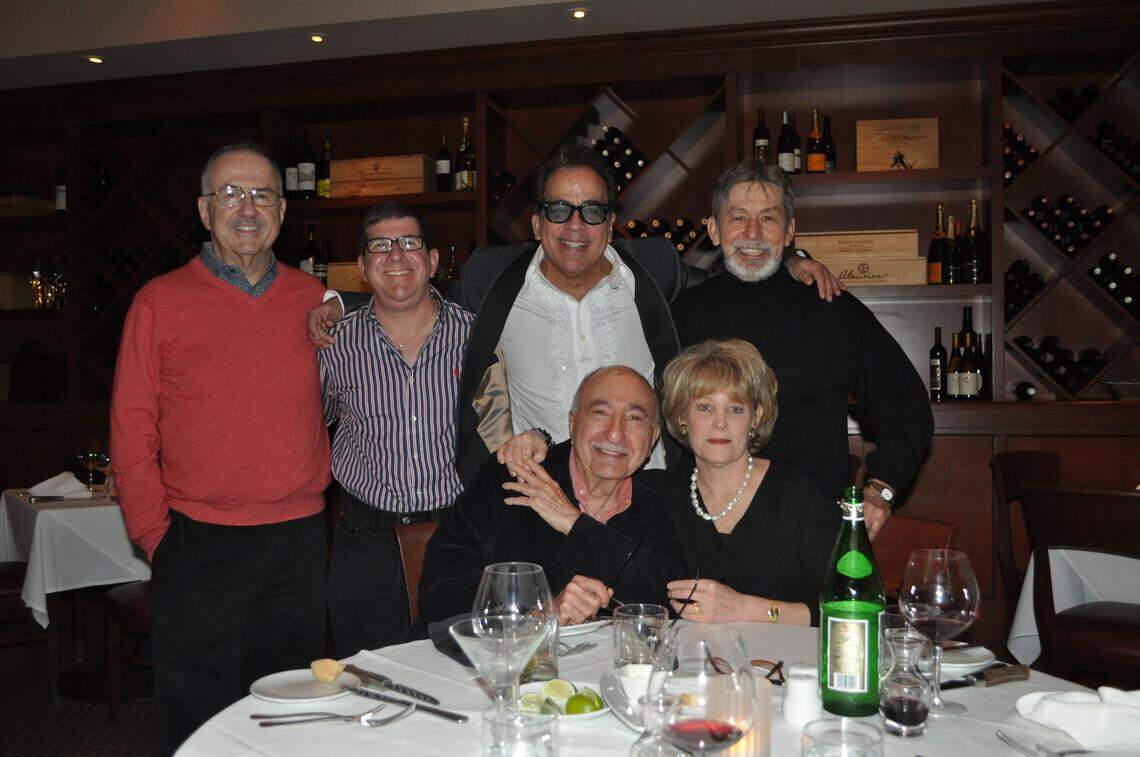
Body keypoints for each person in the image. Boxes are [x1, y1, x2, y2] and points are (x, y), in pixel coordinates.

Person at [306, 144, 840, 484]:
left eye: (592, 211)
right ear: (537, 223)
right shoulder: (492, 279)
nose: (575, 226)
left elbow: (731, 283)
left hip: (647, 494)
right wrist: (342, 302)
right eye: (559, 210)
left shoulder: (654, 272)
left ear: (612, 222)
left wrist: (791, 260)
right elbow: (417, 298)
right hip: (541, 493)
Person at [110, 143, 330, 755]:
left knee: (291, 719)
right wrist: (156, 537)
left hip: (298, 544)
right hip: (198, 542)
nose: (247, 208)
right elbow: (130, 428)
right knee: (200, 723)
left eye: (262, 194)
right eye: (231, 194)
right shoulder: (159, 302)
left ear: (282, 211)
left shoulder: (314, 300)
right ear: (205, 211)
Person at [670, 160, 934, 538]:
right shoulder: (682, 315)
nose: (753, 233)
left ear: (789, 231)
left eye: (769, 218)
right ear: (714, 229)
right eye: (738, 217)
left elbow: (907, 407)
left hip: (806, 537)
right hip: (701, 536)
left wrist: (881, 490)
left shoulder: (830, 309)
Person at [319, 201, 474, 655]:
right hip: (365, 544)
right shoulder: (333, 343)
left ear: (432, 260)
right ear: (362, 267)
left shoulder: (476, 335)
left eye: (409, 242)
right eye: (380, 246)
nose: (396, 255)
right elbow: (310, 424)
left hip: (458, 539)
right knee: (366, 677)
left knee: (464, 677)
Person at [417, 365, 687, 626]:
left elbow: (672, 602)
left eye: (635, 418)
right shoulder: (514, 476)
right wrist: (538, 618)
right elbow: (440, 591)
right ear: (573, 422)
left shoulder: (656, 501)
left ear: (653, 438)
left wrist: (574, 524)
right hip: (497, 654)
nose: (615, 433)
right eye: (600, 412)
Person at [657, 339, 840, 626]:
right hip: (687, 654)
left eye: (735, 409)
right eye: (704, 407)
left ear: (756, 417)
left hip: (786, 654)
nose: (720, 423)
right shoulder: (660, 495)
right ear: (682, 417)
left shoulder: (798, 494)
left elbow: (844, 605)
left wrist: (744, 609)